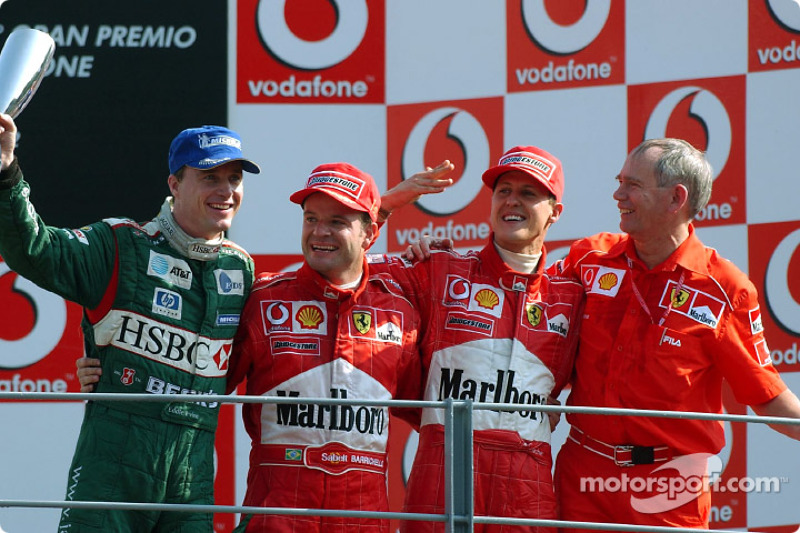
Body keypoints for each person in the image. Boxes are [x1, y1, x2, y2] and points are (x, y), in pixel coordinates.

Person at [0, 114, 261, 532]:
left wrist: (391, 260)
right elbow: (34, 250)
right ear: (175, 185)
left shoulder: (240, 269)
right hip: (113, 467)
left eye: (234, 178)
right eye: (210, 177)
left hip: (192, 475)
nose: (226, 191)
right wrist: (6, 171)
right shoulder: (122, 244)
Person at [551, 138, 800, 530]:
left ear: (675, 198)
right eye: (620, 181)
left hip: (670, 493)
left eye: (632, 185)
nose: (618, 194)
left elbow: (768, 399)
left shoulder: (724, 289)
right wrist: (439, 261)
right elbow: (519, 298)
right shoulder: (587, 259)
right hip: (580, 480)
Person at [373, 146, 585, 532]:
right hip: (444, 474)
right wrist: (382, 207)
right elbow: (346, 268)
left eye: (528, 193)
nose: (512, 202)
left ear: (555, 212)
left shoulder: (571, 296)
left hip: (527, 485)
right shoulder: (440, 268)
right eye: (503, 190)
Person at [226, 162, 427, 533]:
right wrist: (106, 368)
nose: (320, 232)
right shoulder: (263, 300)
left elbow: (434, 414)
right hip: (274, 520)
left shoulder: (399, 313)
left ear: (370, 234)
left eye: (337, 221)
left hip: (363, 522)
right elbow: (199, 381)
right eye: (311, 218)